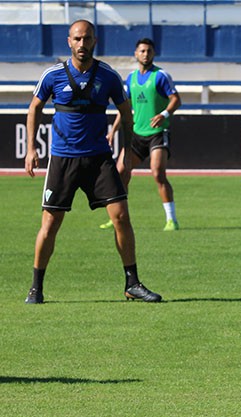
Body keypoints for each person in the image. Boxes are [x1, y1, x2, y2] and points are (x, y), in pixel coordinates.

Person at [24, 20, 162, 304]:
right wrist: (30, 149)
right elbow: (34, 108)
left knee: (121, 217)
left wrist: (126, 151)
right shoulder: (53, 75)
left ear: (94, 41)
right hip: (63, 159)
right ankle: (36, 287)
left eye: (86, 39)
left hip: (99, 159)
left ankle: (132, 283)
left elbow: (126, 113)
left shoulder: (108, 76)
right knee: (50, 223)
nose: (82, 44)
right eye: (77, 39)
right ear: (69, 42)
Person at [101, 37, 182, 232]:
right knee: (120, 173)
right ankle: (117, 216)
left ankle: (171, 219)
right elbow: (125, 108)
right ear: (136, 54)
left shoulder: (161, 76)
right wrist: (113, 131)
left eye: (149, 51)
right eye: (142, 51)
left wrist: (164, 114)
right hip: (136, 134)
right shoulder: (131, 79)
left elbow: (176, 99)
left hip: (157, 133)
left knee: (157, 173)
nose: (146, 54)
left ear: (154, 54)